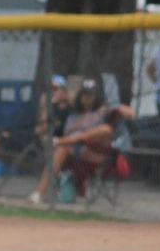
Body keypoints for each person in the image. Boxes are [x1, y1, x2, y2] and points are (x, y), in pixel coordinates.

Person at [29, 78, 132, 206]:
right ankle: (38, 193)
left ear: (96, 96)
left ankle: (63, 144)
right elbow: (45, 127)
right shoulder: (73, 113)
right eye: (84, 94)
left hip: (99, 156)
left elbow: (129, 114)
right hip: (75, 154)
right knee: (62, 149)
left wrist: (117, 107)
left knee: (102, 131)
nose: (86, 98)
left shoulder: (105, 112)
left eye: (90, 95)